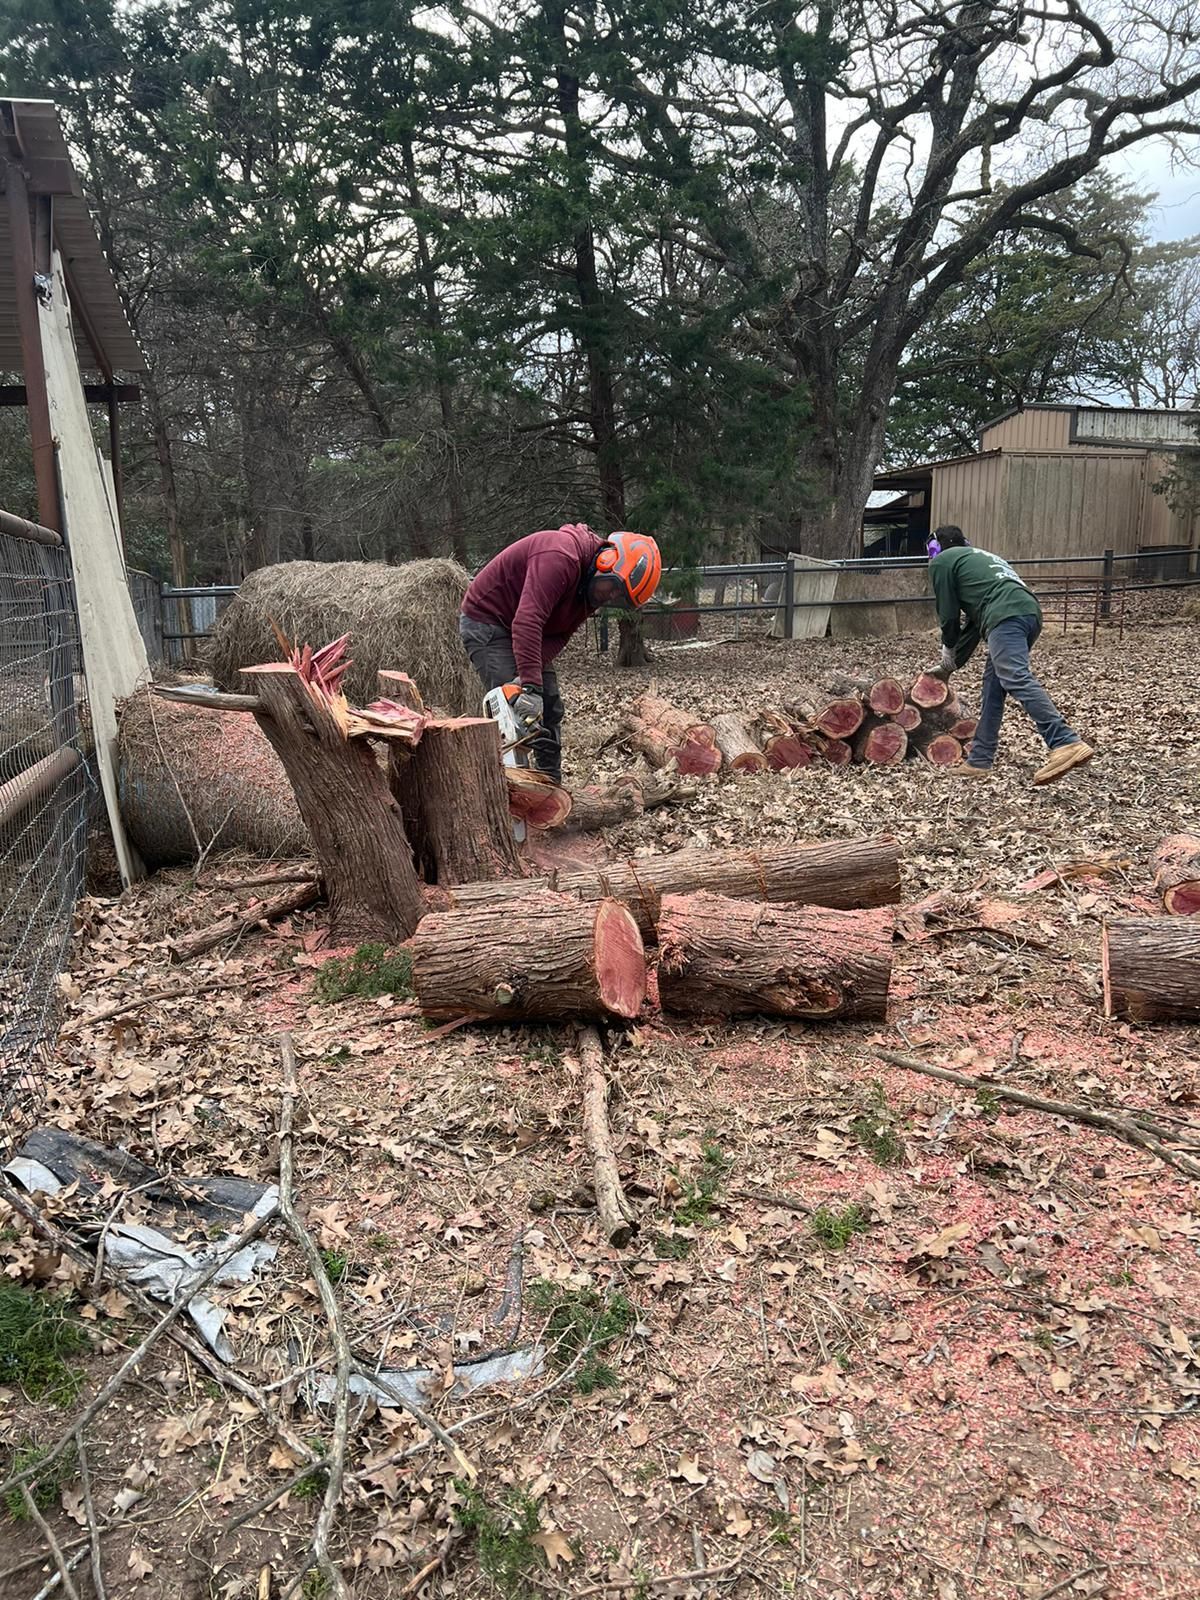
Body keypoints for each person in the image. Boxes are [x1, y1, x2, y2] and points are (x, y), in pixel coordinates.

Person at [459, 524, 662, 784]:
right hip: (488, 619)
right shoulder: (560, 556)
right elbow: (528, 621)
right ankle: (507, 793)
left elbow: (560, 635)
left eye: (618, 596)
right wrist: (529, 686)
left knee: (549, 705)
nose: (610, 597)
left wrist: (530, 681)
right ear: (606, 560)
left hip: (527, 625)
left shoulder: (590, 590)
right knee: (513, 713)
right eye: (613, 587)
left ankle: (549, 785)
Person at [926, 524, 1093, 785]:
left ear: (935, 548)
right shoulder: (979, 560)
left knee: (1014, 675)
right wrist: (951, 665)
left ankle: (1065, 741)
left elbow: (948, 616)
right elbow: (973, 626)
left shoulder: (943, 562)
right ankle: (980, 759)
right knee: (994, 686)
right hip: (1027, 613)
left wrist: (947, 649)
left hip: (1005, 615)